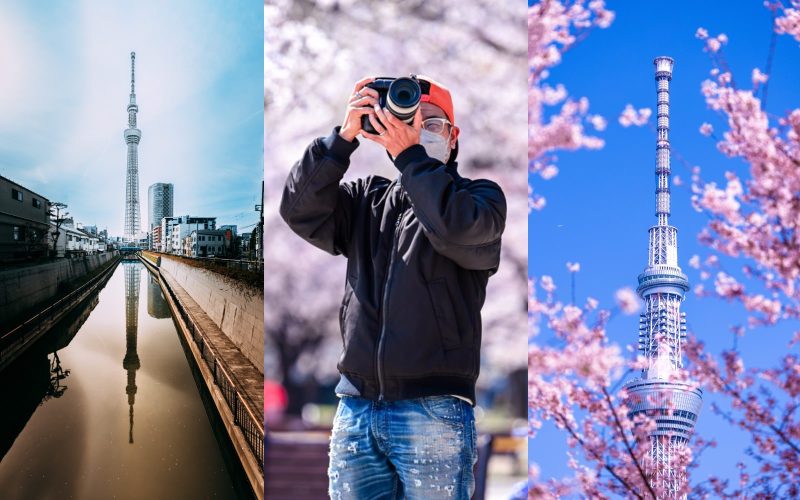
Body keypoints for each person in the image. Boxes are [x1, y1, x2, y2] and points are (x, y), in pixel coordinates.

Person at [280, 75, 506, 499]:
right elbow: (298, 211)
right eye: (409, 119)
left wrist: (411, 157)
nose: (418, 130)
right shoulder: (368, 200)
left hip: (434, 407)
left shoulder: (481, 200)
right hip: (355, 407)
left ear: (453, 138)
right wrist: (341, 140)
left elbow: (454, 229)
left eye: (432, 123)